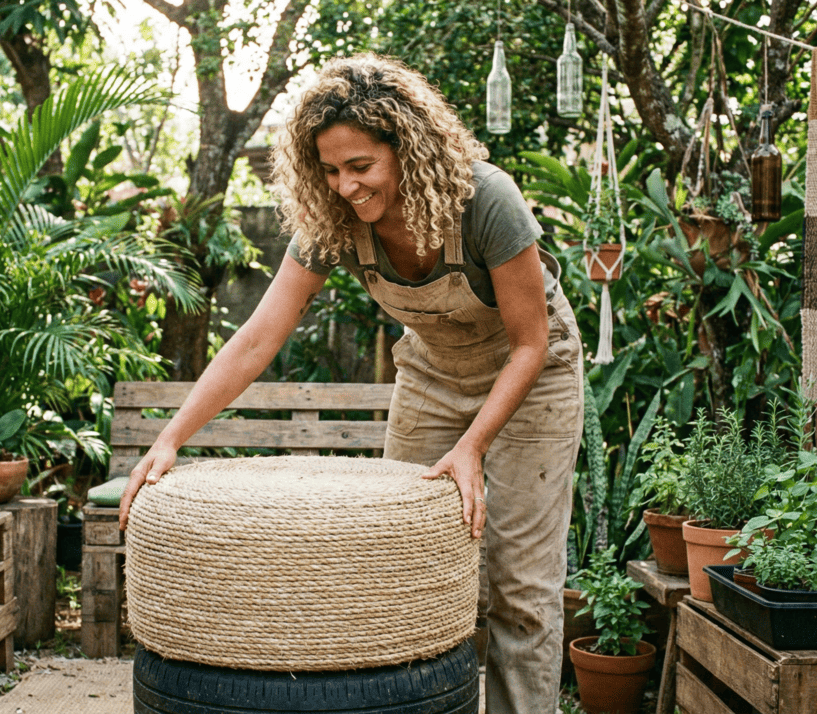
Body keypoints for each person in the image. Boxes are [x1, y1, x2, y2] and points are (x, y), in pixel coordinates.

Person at [118, 53, 583, 713]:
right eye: (330, 171)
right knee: (402, 563)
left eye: (360, 167)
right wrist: (169, 439)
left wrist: (472, 447)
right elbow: (257, 338)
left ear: (409, 150)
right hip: (433, 371)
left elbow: (531, 342)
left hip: (534, 374)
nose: (345, 187)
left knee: (521, 591)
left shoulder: (485, 200)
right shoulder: (335, 222)